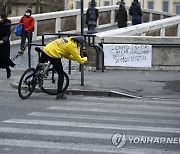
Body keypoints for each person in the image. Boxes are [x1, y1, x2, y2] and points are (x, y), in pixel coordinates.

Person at [39, 36, 88, 100]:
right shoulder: (72, 46)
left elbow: (66, 55)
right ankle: (59, 94)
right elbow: (80, 61)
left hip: (46, 49)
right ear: (78, 43)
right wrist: (85, 58)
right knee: (61, 74)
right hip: (53, 54)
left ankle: (34, 77)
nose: (79, 46)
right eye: (80, 45)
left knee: (40, 65)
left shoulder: (68, 39)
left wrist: (76, 58)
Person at [0, 12, 15, 79]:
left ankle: (8, 70)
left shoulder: (7, 25)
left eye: (1, 18)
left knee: (5, 58)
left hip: (4, 44)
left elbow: (7, 35)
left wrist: (3, 40)